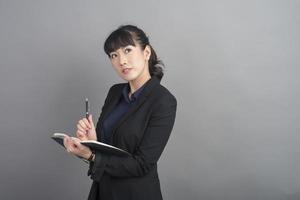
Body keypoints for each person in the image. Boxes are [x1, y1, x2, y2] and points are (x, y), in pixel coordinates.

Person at [63, 25, 177, 200]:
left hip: (136, 194)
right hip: (103, 191)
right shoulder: (115, 92)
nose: (121, 61)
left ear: (146, 53)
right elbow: (109, 150)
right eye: (113, 55)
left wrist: (91, 155)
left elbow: (142, 164)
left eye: (128, 50)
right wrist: (93, 141)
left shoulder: (163, 101)